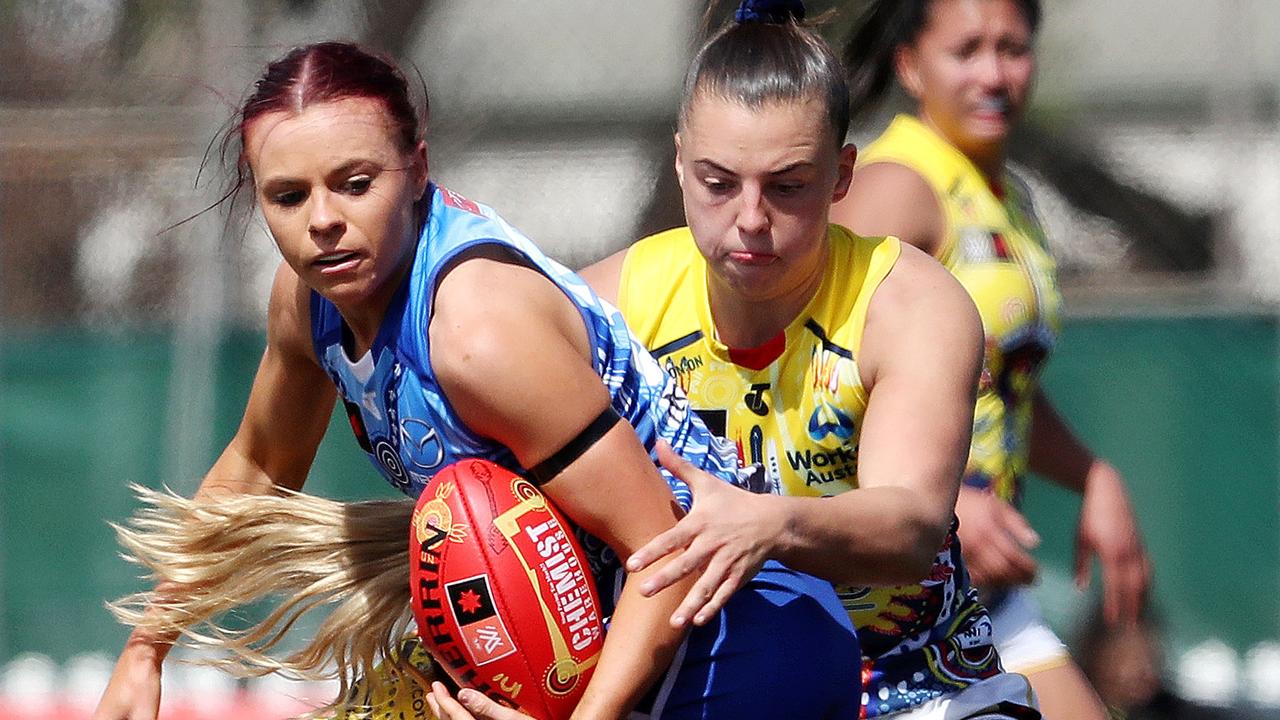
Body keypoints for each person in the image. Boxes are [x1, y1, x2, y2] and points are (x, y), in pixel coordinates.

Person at [93, 41, 863, 720]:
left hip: (740, 638)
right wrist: (146, 649)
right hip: (615, 639)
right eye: (289, 197)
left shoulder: (476, 337)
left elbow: (662, 552)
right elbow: (261, 466)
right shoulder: (308, 303)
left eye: (355, 183)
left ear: (419, 169)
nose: (322, 220)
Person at [575, 2, 1039, 718]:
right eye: (718, 182)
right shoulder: (608, 307)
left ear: (842, 174)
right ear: (679, 162)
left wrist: (769, 524)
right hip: (719, 680)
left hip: (914, 684)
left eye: (787, 185)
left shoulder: (911, 302)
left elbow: (910, 529)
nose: (751, 218)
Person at [829, 1, 1151, 718]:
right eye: (966, 49)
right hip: (881, 615)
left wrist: (1092, 474)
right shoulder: (898, 187)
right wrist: (936, 498)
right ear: (910, 65)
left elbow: (994, 390)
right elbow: (810, 370)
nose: (995, 72)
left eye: (1013, 47)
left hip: (977, 603)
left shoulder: (1011, 198)